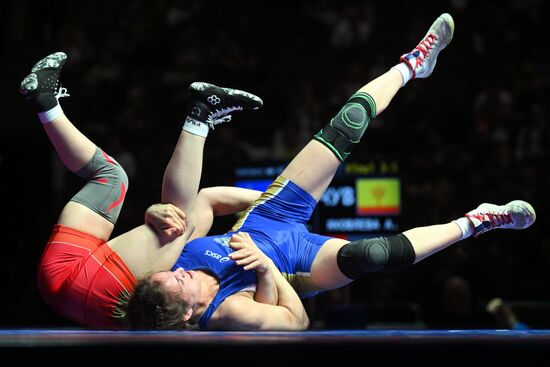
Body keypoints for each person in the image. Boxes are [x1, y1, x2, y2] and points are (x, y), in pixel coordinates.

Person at [125, 13, 536, 331]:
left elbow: (207, 199)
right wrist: (266, 268)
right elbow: (298, 321)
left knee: (348, 123)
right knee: (375, 255)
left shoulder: (179, 259)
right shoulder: (228, 313)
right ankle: (478, 220)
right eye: (178, 283)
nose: (179, 271)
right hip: (295, 263)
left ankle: (413, 65)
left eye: (171, 272)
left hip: (269, 215)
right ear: (186, 316)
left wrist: (264, 197)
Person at [18, 51, 264, 329]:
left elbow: (297, 318)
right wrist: (275, 203)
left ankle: (202, 113)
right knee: (112, 177)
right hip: (60, 283)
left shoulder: (226, 307)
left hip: (103, 295)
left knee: (177, 223)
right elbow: (208, 199)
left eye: (181, 276)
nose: (183, 273)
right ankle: (46, 102)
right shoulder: (197, 259)